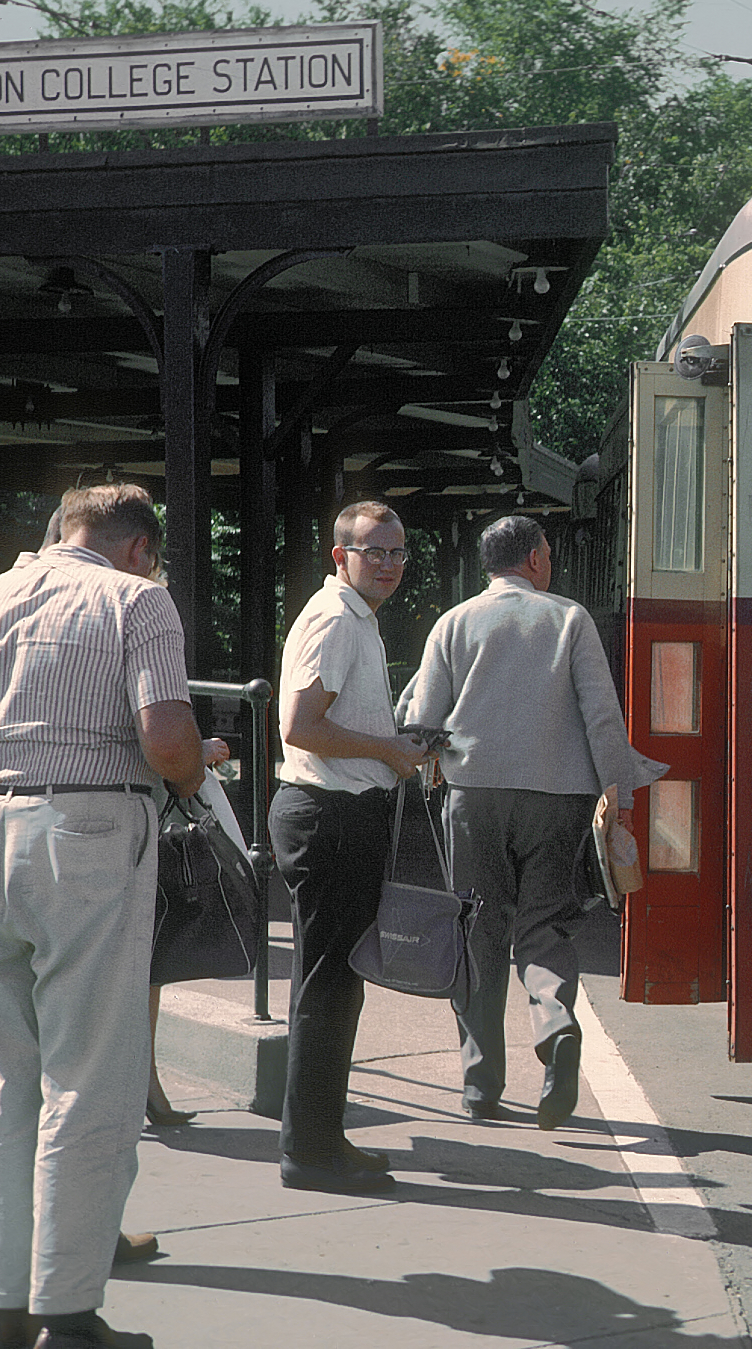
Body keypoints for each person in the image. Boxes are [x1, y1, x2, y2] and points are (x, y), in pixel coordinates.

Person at [0, 483, 210, 1349]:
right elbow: (166, 739)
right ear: (137, 547)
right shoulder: (139, 600)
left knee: (11, 1074)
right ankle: (68, 1312)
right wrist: (201, 766)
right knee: (90, 1077)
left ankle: (7, 1306)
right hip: (86, 833)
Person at [402, 515, 665, 1130]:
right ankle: (556, 1030)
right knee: (546, 926)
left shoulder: (454, 622)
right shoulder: (570, 619)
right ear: (536, 560)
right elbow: (602, 717)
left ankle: (480, 1086)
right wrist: (617, 798)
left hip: (474, 796)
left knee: (479, 930)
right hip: (558, 801)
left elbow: (422, 720)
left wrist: (422, 776)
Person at [269, 500, 429, 1194]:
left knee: (331, 985)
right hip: (329, 815)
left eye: (398, 553)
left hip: (334, 812)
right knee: (329, 987)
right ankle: (310, 1150)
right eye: (375, 552)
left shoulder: (351, 617)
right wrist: (389, 750)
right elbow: (302, 726)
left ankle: (320, 1137)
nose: (389, 565)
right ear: (342, 556)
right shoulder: (337, 619)